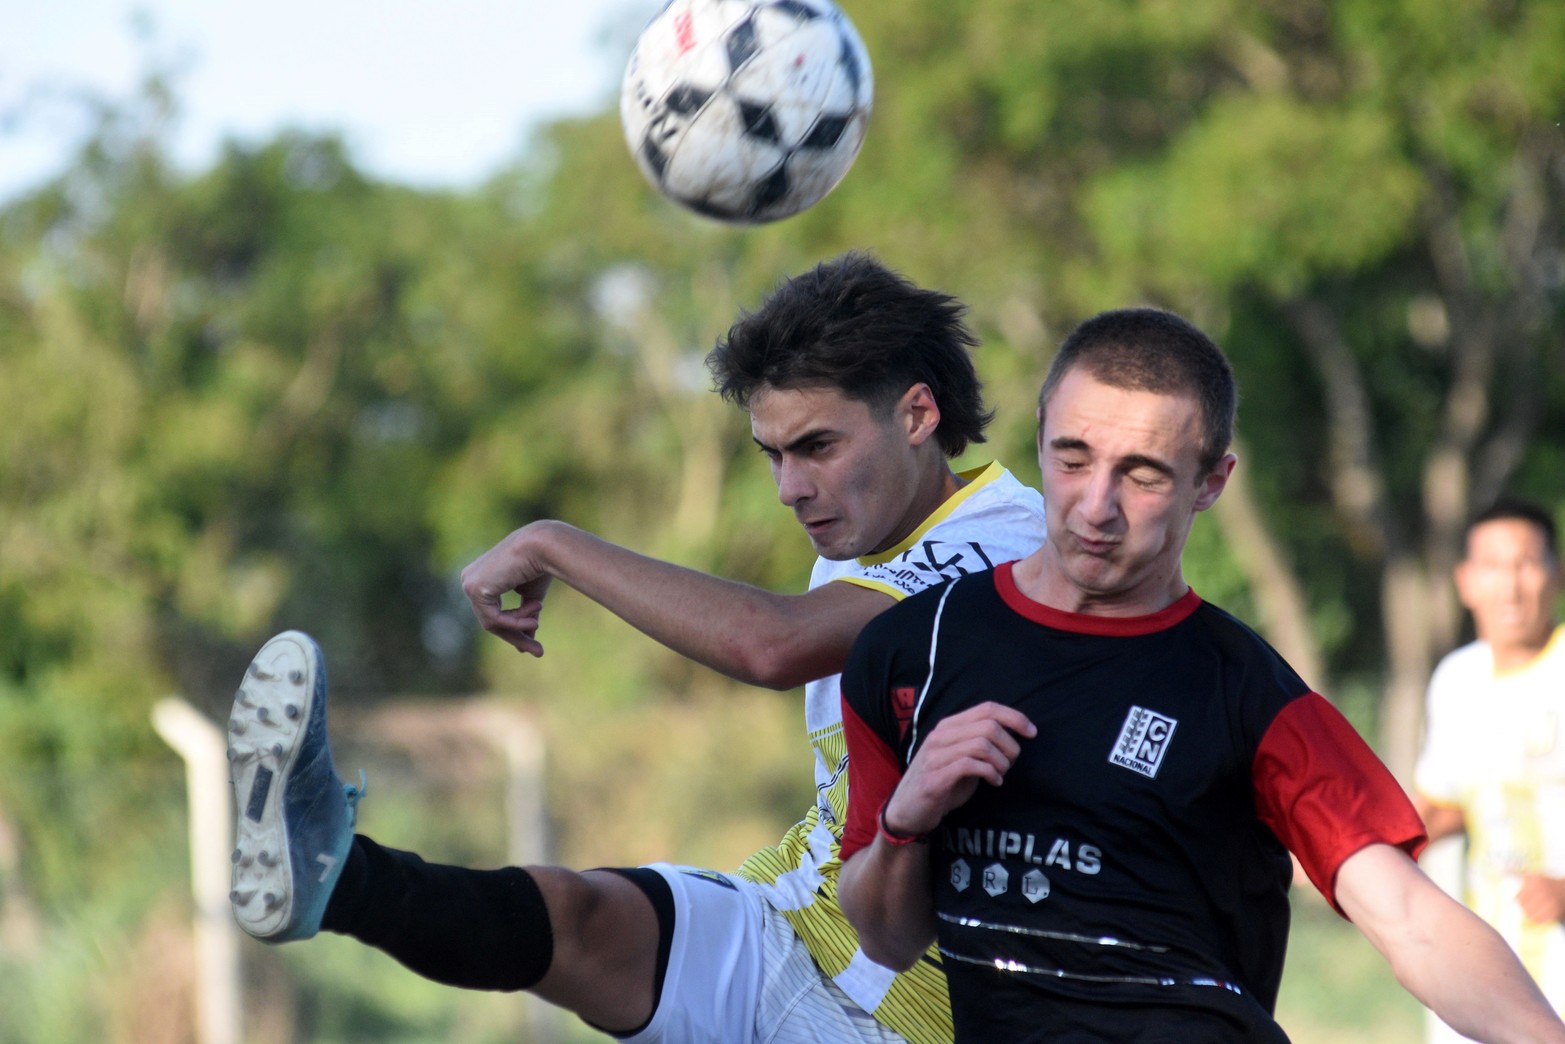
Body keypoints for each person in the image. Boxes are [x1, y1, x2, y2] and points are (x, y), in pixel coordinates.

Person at [225, 252, 1048, 1044]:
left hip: (911, 1010)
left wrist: (552, 544)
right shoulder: (864, 532)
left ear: (916, 414)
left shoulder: (1005, 545)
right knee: (578, 918)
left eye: (818, 447)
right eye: (772, 454)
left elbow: (771, 644)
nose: (791, 488)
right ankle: (329, 871)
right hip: (796, 920)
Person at [834, 307, 1565, 1043]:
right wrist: (908, 817)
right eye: (1072, 458)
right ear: (1038, 433)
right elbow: (886, 940)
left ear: (1210, 482)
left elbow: (1410, 920)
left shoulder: (1247, 691)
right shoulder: (908, 650)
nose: (1096, 507)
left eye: (1141, 475)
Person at [1413, 497, 1565, 1041]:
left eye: (1526, 564)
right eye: (1494, 567)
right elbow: (1442, 807)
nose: (1511, 586)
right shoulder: (1456, 680)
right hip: (1484, 974)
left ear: (1557, 573)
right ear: (1466, 582)